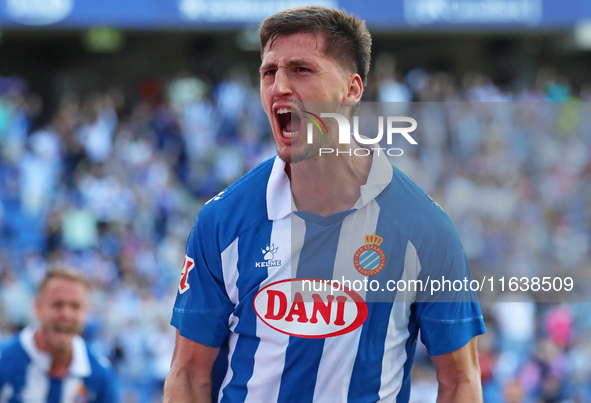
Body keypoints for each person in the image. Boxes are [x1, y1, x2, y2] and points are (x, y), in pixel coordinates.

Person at [164, 6, 486, 403]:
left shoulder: (425, 228)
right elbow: (188, 374)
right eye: (269, 72)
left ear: (352, 89)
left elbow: (460, 382)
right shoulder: (222, 221)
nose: (279, 86)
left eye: (301, 69)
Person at [0, 267, 117, 402]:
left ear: (86, 313)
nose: (66, 314)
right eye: (57, 304)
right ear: (37, 307)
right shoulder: (4, 360)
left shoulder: (99, 374)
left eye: (75, 306)